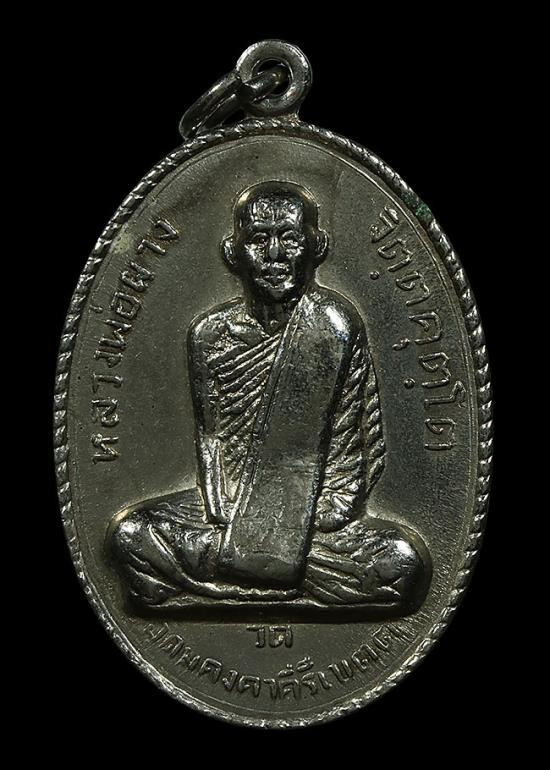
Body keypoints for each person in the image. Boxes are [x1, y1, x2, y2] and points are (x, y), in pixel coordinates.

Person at [109, 181, 431, 611]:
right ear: (233, 252)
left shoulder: (333, 325)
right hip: (230, 517)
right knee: (130, 534)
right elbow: (212, 447)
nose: (275, 255)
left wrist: (294, 529)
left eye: (290, 238)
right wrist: (238, 524)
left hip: (312, 522)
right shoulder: (209, 335)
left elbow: (354, 455)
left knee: (403, 561)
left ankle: (226, 585)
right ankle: (269, 581)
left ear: (316, 246)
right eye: (259, 239)